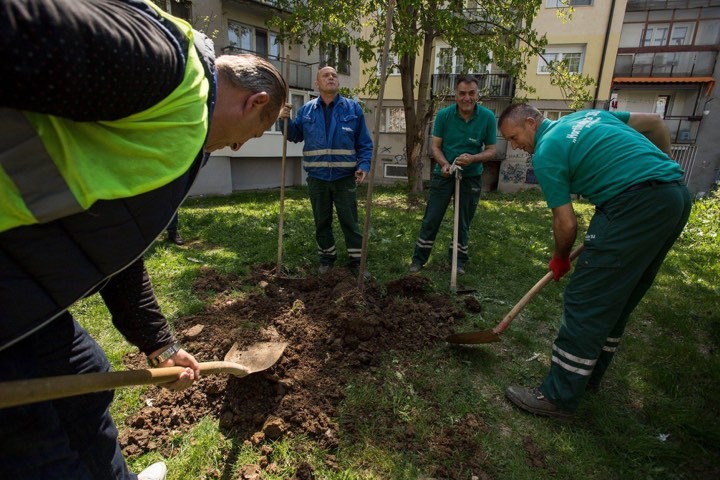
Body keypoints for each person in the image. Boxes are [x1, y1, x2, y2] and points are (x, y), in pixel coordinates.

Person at [0, 0, 288, 479]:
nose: (239, 146)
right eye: (254, 134)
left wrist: (157, 342)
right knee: (37, 443)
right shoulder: (163, 63)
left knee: (87, 375)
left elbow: (112, 240)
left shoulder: (181, 130)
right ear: (255, 102)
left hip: (27, 299)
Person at [497, 103, 691, 420]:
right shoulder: (588, 116)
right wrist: (657, 169)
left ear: (531, 123)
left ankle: (557, 396)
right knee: (619, 296)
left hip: (632, 204)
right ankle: (586, 379)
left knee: (587, 298)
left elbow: (566, 224)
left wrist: (559, 258)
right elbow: (655, 123)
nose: (515, 147)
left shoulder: (546, 152)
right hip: (674, 197)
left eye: (515, 137)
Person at [279, 66, 373, 277]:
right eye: (326, 75)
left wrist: (363, 166)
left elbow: (364, 143)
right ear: (317, 83)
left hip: (344, 179)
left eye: (334, 75)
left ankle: (357, 262)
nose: (331, 78)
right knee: (322, 221)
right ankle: (327, 259)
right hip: (317, 179)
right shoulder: (306, 111)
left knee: (350, 222)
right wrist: (283, 119)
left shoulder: (353, 109)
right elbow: (293, 135)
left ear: (338, 83)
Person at [409, 75, 497, 275]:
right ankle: (418, 259)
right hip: (444, 175)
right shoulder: (444, 116)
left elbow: (492, 150)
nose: (467, 98)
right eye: (462, 93)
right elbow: (435, 147)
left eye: (472, 93)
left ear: (478, 94)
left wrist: (473, 158)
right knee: (432, 218)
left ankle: (457, 261)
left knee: (462, 221)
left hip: (472, 176)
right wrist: (445, 164)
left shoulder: (488, 117)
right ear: (455, 95)